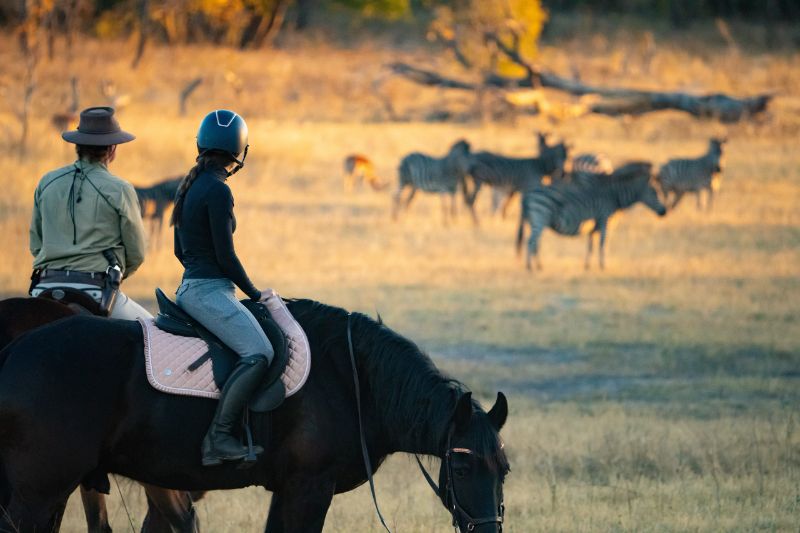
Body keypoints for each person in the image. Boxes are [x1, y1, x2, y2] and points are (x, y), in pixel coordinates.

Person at [172, 109, 274, 466]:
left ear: (202, 145)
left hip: (190, 286)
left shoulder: (189, 187)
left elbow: (178, 250)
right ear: (239, 152)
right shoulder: (218, 190)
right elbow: (226, 256)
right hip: (208, 291)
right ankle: (219, 437)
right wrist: (254, 291)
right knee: (260, 353)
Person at [30, 106, 151, 320]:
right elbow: (137, 252)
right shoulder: (119, 188)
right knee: (151, 330)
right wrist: (118, 275)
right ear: (112, 149)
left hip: (44, 287)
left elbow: (36, 244)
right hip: (96, 290)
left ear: (77, 145)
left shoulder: (47, 182)